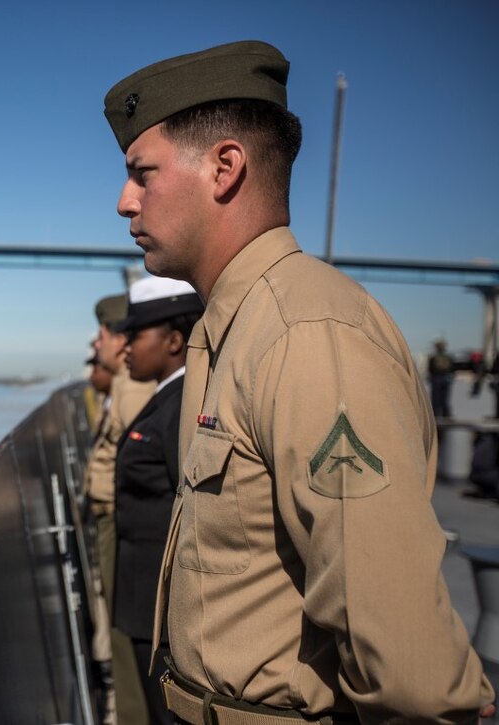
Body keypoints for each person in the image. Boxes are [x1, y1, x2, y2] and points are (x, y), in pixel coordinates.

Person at [102, 40, 494, 723]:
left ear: (226, 167)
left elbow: (413, 675)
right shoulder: (236, 329)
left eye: (142, 172)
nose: (123, 201)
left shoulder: (306, 336)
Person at [111, 276, 203, 725]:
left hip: (162, 617)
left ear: (173, 340)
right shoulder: (168, 399)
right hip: (145, 606)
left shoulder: (181, 406)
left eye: (135, 335)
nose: (123, 346)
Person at [83, 293, 156, 725]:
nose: (98, 342)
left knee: (123, 628)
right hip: (114, 519)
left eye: (103, 333)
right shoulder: (121, 385)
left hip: (120, 523)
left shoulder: (133, 390)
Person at [429, 338, 455, 418]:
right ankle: (446, 414)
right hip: (446, 378)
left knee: (436, 398)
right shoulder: (448, 357)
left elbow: (430, 369)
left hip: (436, 378)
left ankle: (435, 415)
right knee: (445, 398)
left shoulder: (433, 358)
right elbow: (452, 368)